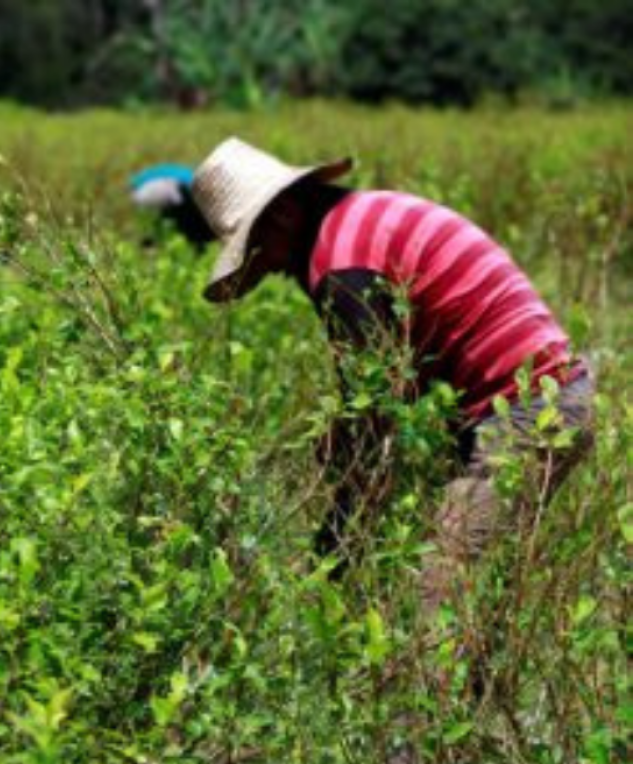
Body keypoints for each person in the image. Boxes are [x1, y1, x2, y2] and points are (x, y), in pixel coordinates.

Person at [188, 138, 595, 708]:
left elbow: (375, 421)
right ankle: (482, 724)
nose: (268, 267)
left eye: (259, 248)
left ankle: (418, 746)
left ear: (282, 214)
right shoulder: (355, 226)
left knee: (441, 583)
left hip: (529, 412)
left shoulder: (343, 267)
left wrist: (333, 550)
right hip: (537, 403)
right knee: (464, 598)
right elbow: (388, 393)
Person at [129, 163, 216, 248]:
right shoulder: (192, 179)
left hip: (145, 192)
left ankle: (151, 243)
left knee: (174, 221)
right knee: (188, 222)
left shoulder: (188, 176)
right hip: (160, 190)